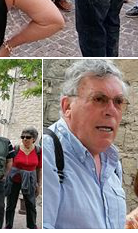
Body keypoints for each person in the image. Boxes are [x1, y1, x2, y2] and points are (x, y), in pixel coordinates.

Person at [42, 59, 127, 228]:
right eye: (99, 99)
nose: (111, 111)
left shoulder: (112, 162)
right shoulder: (48, 153)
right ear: (67, 107)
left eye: (118, 102)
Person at [4, 127, 41, 229]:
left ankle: (32, 225)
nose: (24, 139)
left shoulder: (38, 151)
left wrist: (39, 184)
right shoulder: (15, 148)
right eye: (22, 137)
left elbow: (39, 168)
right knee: (11, 204)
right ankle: (8, 225)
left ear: (34, 138)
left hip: (30, 180)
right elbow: (8, 162)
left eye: (28, 137)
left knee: (31, 204)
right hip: (14, 180)